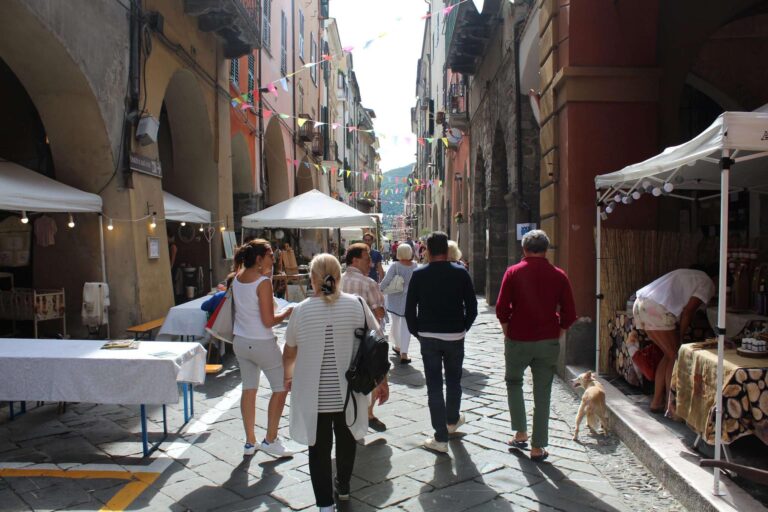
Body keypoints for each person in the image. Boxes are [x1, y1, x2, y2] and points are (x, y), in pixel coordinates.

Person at [283, 254, 389, 511]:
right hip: (348, 394)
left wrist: (288, 376)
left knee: (318, 450)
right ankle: (342, 485)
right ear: (338, 276)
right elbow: (377, 344)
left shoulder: (301, 310)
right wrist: (382, 381)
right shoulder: (357, 305)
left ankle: (324, 505)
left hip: (313, 394)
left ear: (313, 279)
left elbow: (289, 351)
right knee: (346, 440)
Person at [495, 229, 576, 462]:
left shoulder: (513, 272)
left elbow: (502, 308)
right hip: (547, 341)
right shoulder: (559, 275)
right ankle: (538, 447)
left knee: (513, 382)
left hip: (518, 339)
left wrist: (507, 331)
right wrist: (558, 333)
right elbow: (569, 313)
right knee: (543, 393)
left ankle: (520, 433)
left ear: (524, 248)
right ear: (547, 249)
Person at [405, 231, 478, 453]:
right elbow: (472, 308)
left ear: (426, 250)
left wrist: (418, 332)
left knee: (434, 386)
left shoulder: (419, 274)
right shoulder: (461, 273)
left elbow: (410, 309)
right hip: (455, 335)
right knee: (454, 381)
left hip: (429, 337)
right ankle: (452, 420)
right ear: (447, 250)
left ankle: (441, 437)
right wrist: (462, 327)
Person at [231, 239, 295, 457]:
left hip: (240, 341)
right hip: (261, 342)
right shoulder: (262, 282)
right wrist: (286, 313)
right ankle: (270, 439)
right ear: (259, 259)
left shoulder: (237, 278)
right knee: (280, 388)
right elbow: (268, 320)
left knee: (249, 389)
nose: (273, 259)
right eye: (270, 256)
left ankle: (250, 442)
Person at [633, 267, 715, 414]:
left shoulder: (691, 274)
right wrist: (681, 336)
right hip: (656, 308)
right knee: (674, 356)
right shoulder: (707, 282)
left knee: (668, 355)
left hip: (641, 304)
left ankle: (657, 402)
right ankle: (670, 406)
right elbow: (688, 312)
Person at [341, 243, 388, 432]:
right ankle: (368, 413)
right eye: (367, 259)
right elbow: (379, 313)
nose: (370, 263)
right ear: (355, 259)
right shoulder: (368, 283)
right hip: (365, 339)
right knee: (371, 373)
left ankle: (350, 413)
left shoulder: (337, 279)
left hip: (342, 336)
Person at [380, 243, 417, 364]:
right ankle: (404, 352)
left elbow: (386, 280)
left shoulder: (395, 266)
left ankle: (398, 346)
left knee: (395, 323)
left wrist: (378, 290)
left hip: (395, 298)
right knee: (406, 325)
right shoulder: (415, 266)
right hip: (410, 299)